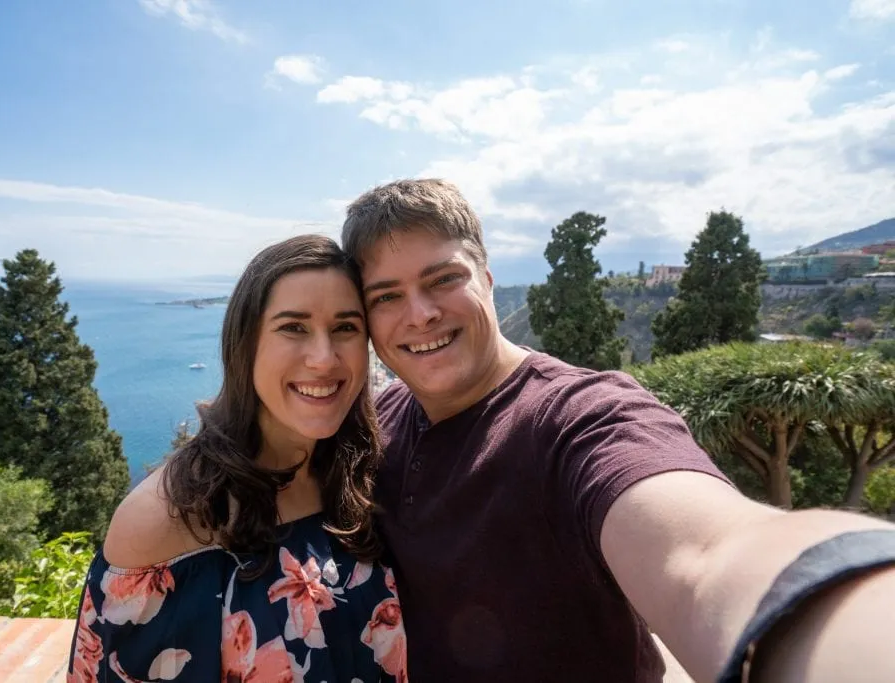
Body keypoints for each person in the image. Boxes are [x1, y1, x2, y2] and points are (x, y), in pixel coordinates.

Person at [341, 178, 895, 683]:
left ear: (486, 281)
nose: (419, 314)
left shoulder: (582, 417)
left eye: (443, 279)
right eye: (386, 296)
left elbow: (704, 558)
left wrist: (833, 607)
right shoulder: (383, 419)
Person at [66, 235, 409, 682]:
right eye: (293, 327)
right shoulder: (170, 521)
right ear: (245, 344)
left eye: (345, 327)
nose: (324, 359)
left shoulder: (359, 475)